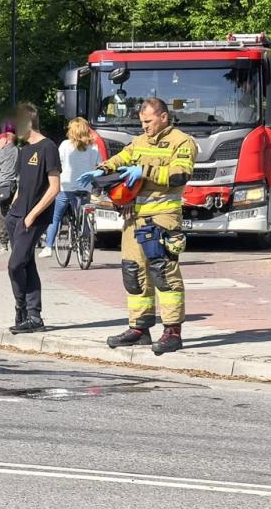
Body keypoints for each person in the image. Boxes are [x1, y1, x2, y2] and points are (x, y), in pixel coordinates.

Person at [83, 96, 195, 354]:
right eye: (142, 121)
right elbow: (123, 157)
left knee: (164, 273)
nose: (144, 126)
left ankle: (172, 332)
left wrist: (143, 170)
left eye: (148, 121)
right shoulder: (140, 141)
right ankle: (139, 328)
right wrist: (102, 170)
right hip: (134, 218)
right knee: (133, 273)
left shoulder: (182, 142)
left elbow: (180, 174)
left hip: (163, 217)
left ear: (163, 117)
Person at [4, 104, 62, 334]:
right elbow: (21, 185)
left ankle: (21, 306)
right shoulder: (24, 150)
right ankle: (33, 316)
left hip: (33, 217)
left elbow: (54, 187)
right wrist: (12, 209)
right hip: (16, 216)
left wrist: (32, 215)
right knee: (26, 263)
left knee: (15, 265)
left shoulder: (48, 147)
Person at [41, 117, 99, 256]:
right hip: (85, 187)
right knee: (84, 217)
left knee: (55, 217)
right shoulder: (94, 146)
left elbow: (57, 163)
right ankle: (85, 244)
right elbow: (99, 165)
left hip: (66, 187)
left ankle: (48, 246)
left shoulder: (65, 145)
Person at [0, 124, 18, 248]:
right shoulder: (19, 151)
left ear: (6, 140)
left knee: (3, 214)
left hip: (4, 187)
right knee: (18, 212)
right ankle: (18, 238)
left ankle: (4, 242)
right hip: (17, 187)